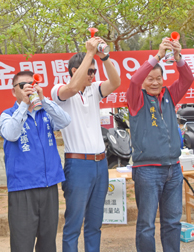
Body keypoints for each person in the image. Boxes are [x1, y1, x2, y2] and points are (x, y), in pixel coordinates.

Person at [50, 37, 121, 252]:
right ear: (74, 70)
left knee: (95, 224)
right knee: (73, 224)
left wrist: (104, 57)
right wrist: (89, 53)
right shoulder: (59, 91)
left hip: (101, 164)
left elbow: (116, 83)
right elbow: (72, 88)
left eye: (94, 72)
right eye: (89, 71)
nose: (92, 75)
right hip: (78, 164)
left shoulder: (94, 90)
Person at [126, 38, 194, 252]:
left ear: (163, 79)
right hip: (147, 170)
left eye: (158, 78)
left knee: (173, 221)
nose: (154, 83)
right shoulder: (136, 99)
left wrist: (177, 56)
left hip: (173, 169)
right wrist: (156, 56)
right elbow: (135, 81)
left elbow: (187, 78)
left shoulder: (170, 96)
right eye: (150, 79)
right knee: (146, 224)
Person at [0, 70, 71, 252]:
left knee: (48, 243)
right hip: (23, 188)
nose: (28, 88)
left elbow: (65, 121)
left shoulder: (44, 112)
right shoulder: (7, 115)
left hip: (48, 186)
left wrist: (43, 99)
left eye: (32, 84)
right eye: (23, 85)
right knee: (22, 244)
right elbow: (11, 134)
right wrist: (24, 105)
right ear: (13, 91)